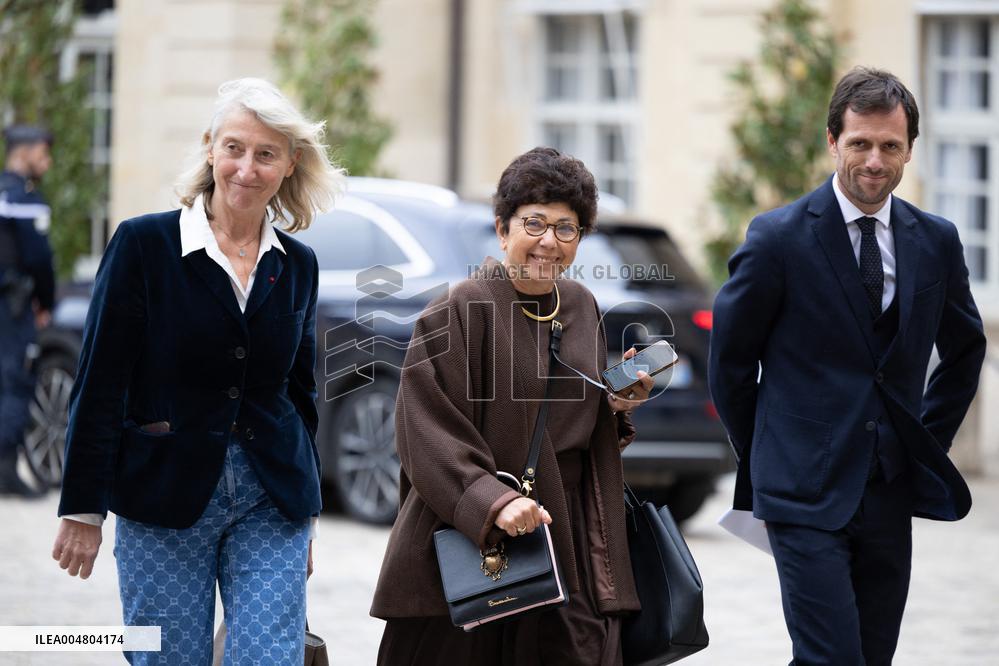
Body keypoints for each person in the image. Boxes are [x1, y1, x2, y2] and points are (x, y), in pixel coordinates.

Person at [51, 78, 343, 664]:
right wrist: (83, 508)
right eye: (234, 148)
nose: (246, 168)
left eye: (266, 154)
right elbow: (101, 381)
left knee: (268, 657)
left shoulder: (299, 265)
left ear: (290, 164)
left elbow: (299, 393)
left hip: (270, 498)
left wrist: (305, 511)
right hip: (163, 492)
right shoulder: (144, 244)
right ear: (211, 148)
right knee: (166, 658)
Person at [709, 67, 987, 665]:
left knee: (869, 656)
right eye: (860, 143)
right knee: (830, 658)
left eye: (890, 145)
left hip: (888, 489)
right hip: (800, 490)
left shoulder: (935, 240)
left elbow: (964, 350)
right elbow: (730, 362)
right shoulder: (777, 238)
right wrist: (766, 451)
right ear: (833, 141)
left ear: (910, 149)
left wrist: (922, 443)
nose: (874, 160)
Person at [371, 147, 654, 665]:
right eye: (535, 223)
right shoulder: (459, 308)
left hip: (566, 534)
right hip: (480, 542)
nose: (549, 241)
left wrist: (616, 404)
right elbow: (424, 429)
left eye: (566, 229)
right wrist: (492, 501)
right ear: (503, 230)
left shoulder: (581, 306)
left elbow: (576, 416)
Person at [0, 124, 55, 497]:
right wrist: (46, 304)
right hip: (14, 308)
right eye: (44, 154)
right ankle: (5, 469)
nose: (47, 163)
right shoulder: (24, 200)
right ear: (27, 152)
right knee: (15, 384)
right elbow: (39, 260)